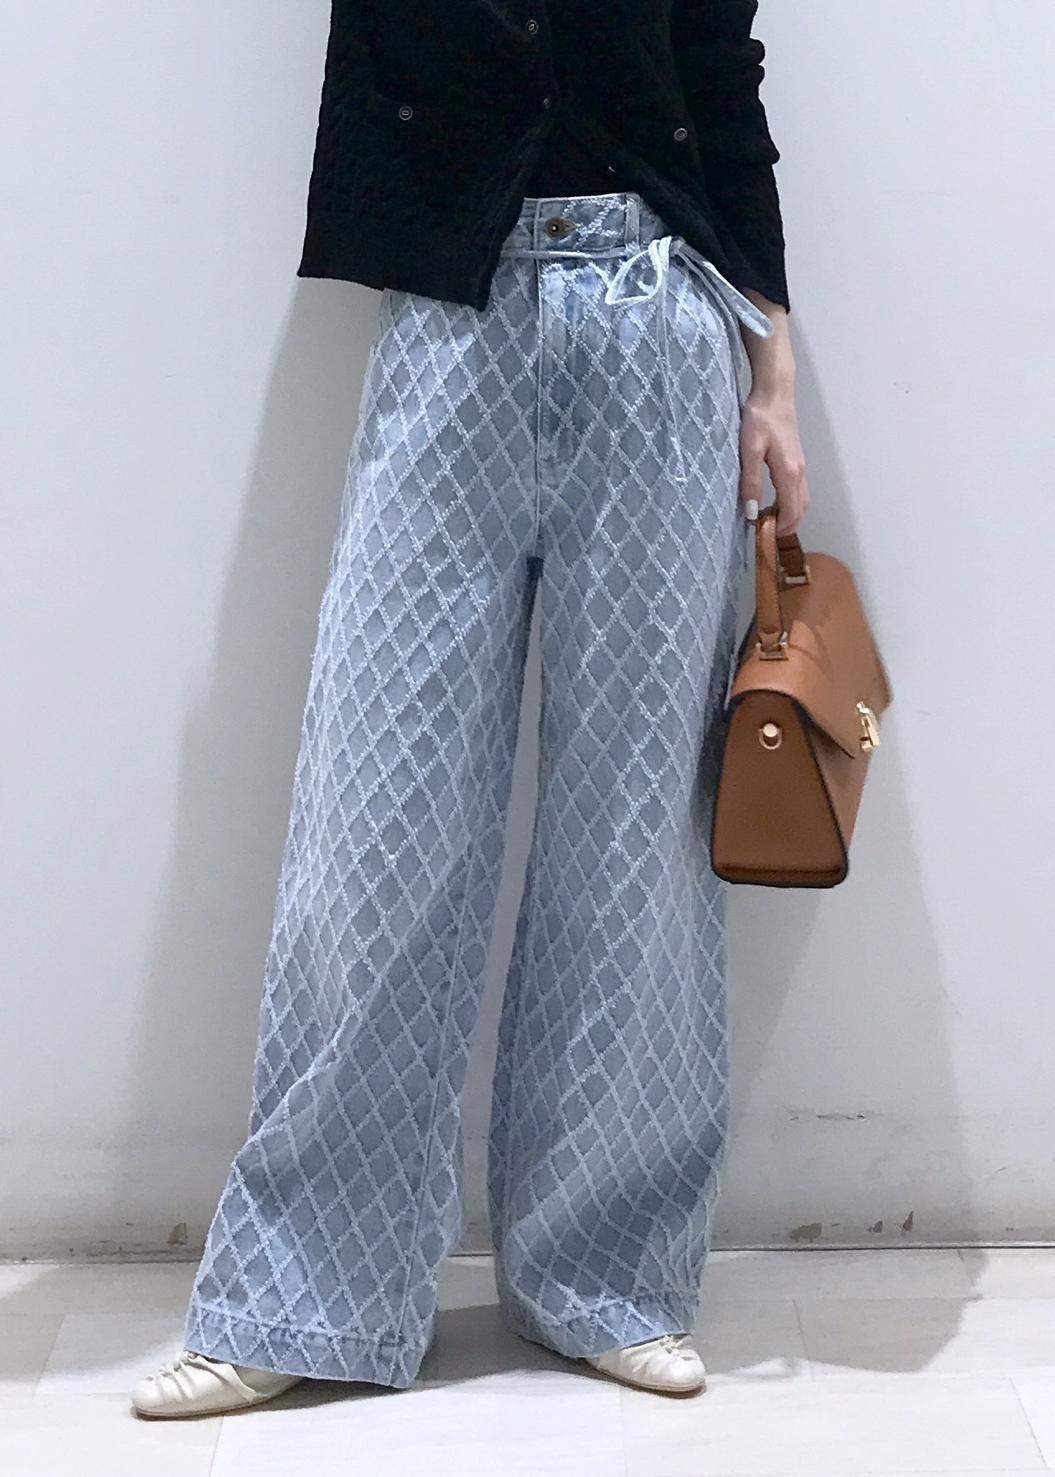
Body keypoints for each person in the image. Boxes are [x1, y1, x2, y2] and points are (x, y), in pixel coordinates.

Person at [132, 0, 808, 1419]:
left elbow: (717, 65)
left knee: (634, 832)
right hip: (454, 315)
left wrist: (774, 367)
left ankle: (607, 1275)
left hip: (657, 311)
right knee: (374, 826)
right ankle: (306, 1289)